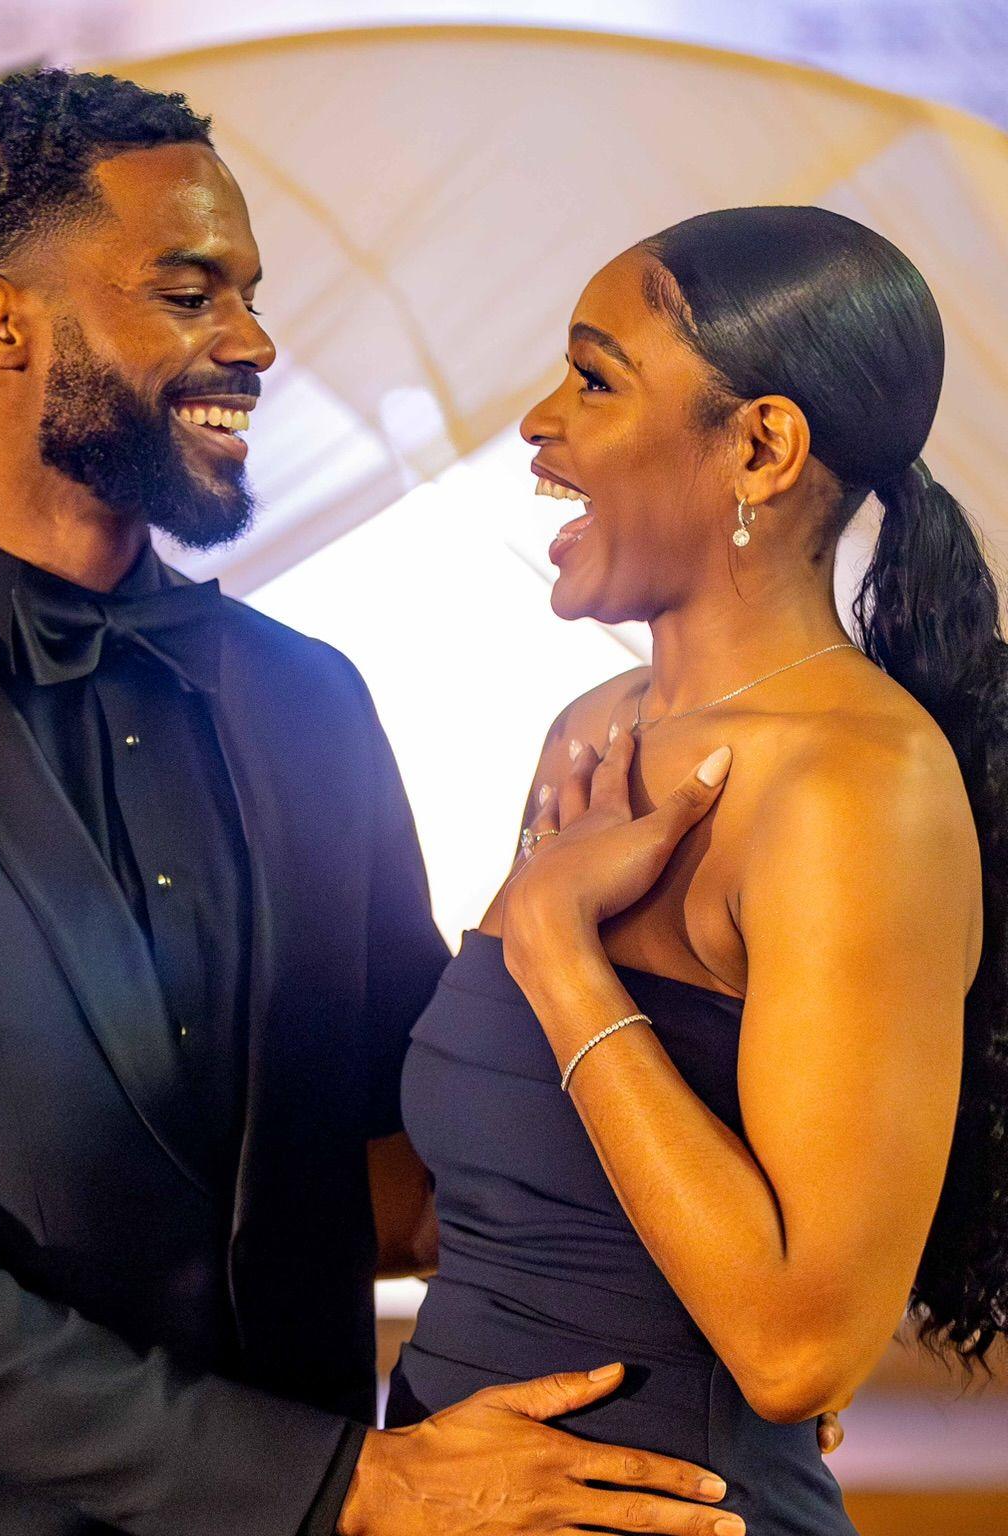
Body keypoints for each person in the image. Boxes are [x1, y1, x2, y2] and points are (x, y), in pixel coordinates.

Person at [0, 70, 760, 1536]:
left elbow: (410, 1164)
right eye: (189, 293)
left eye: (251, 294)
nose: (255, 341)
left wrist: (713, 1320)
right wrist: (347, 1485)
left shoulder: (311, 700)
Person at [386, 206, 1007, 1535]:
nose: (538, 422)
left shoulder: (854, 786)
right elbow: (517, 1203)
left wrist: (559, 955)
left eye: (594, 379)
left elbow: (798, 1355)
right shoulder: (590, 736)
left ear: (761, 448)